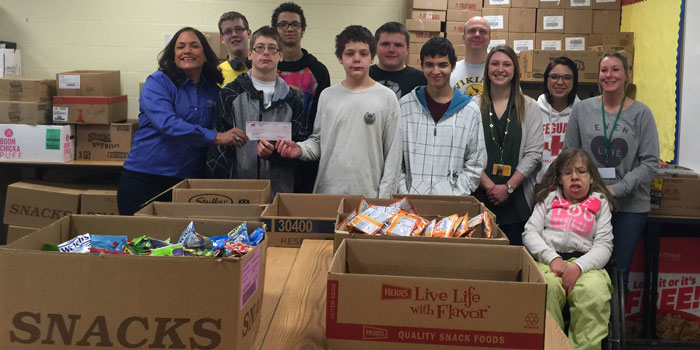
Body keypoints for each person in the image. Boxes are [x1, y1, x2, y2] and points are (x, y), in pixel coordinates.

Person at [118, 27, 241, 215]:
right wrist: (217, 137)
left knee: (185, 244)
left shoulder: (213, 91)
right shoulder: (158, 83)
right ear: (173, 55)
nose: (187, 51)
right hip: (144, 180)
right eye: (180, 47)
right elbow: (167, 123)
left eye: (194, 46)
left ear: (206, 55)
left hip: (187, 183)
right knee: (140, 243)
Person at [564, 51, 660, 291]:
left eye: (615, 69)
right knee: (586, 268)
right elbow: (569, 153)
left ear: (628, 74)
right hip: (587, 204)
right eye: (604, 70)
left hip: (630, 206)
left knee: (618, 271)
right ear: (598, 75)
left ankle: (613, 329)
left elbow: (650, 163)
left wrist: (617, 189)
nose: (609, 75)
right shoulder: (582, 110)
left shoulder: (642, 114)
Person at [275, 25, 401, 198]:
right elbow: (318, 142)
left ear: (372, 57)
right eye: (350, 53)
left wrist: (384, 203)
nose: (356, 59)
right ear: (340, 58)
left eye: (363, 53)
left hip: (369, 197)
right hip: (327, 194)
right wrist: (300, 149)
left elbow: (393, 156)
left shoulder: (387, 97)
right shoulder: (327, 96)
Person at [522, 149, 615, 350]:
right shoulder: (547, 199)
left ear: (591, 178)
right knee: (546, 289)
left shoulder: (600, 203)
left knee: (593, 293)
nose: (575, 177)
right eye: (568, 172)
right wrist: (553, 259)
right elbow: (530, 233)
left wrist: (578, 267)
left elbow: (604, 245)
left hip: (587, 265)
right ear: (559, 179)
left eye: (582, 171)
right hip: (548, 263)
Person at [206, 26, 308, 198]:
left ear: (280, 55)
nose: (266, 53)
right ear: (250, 54)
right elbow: (218, 149)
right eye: (259, 48)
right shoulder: (230, 94)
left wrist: (275, 154)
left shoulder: (294, 98)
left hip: (281, 194)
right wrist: (219, 193)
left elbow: (301, 148)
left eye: (272, 48)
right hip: (237, 194)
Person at [472, 45, 543, 246]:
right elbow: (468, 153)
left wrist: (508, 188)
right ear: (487, 69)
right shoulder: (473, 105)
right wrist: (490, 186)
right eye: (494, 64)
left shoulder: (529, 107)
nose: (500, 69)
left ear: (515, 71)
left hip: (517, 202)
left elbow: (534, 153)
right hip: (480, 197)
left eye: (506, 64)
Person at [398, 37, 486, 195]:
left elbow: (476, 162)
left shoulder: (470, 110)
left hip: (451, 208)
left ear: (453, 66)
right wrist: (404, 195)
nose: (436, 71)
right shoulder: (405, 106)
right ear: (422, 66)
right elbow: (395, 160)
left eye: (442, 65)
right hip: (408, 206)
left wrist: (454, 198)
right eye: (429, 65)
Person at [271, 2, 330, 193]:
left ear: (302, 29)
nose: (289, 29)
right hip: (270, 152)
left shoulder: (318, 70)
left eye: (295, 24)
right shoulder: (264, 67)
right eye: (283, 24)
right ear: (275, 29)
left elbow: (321, 117)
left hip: (306, 155)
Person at [536, 56, 581, 184]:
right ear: (546, 79)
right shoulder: (534, 110)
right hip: (537, 183)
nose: (560, 82)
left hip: (570, 183)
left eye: (567, 77)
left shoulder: (581, 112)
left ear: (574, 81)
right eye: (554, 77)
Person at [369, 22, 427, 99]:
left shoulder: (421, 80)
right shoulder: (364, 75)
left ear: (407, 49)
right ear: (375, 47)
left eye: (398, 45)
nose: (391, 50)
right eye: (385, 44)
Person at [449, 16, 490, 97]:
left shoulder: (500, 73)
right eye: (472, 31)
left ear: (489, 38)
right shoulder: (450, 72)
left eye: (483, 31)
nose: (477, 34)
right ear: (463, 37)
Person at [218, 11, 252, 85]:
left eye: (238, 29)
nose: (234, 35)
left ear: (249, 33)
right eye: (228, 31)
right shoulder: (217, 74)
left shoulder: (264, 67)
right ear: (222, 39)